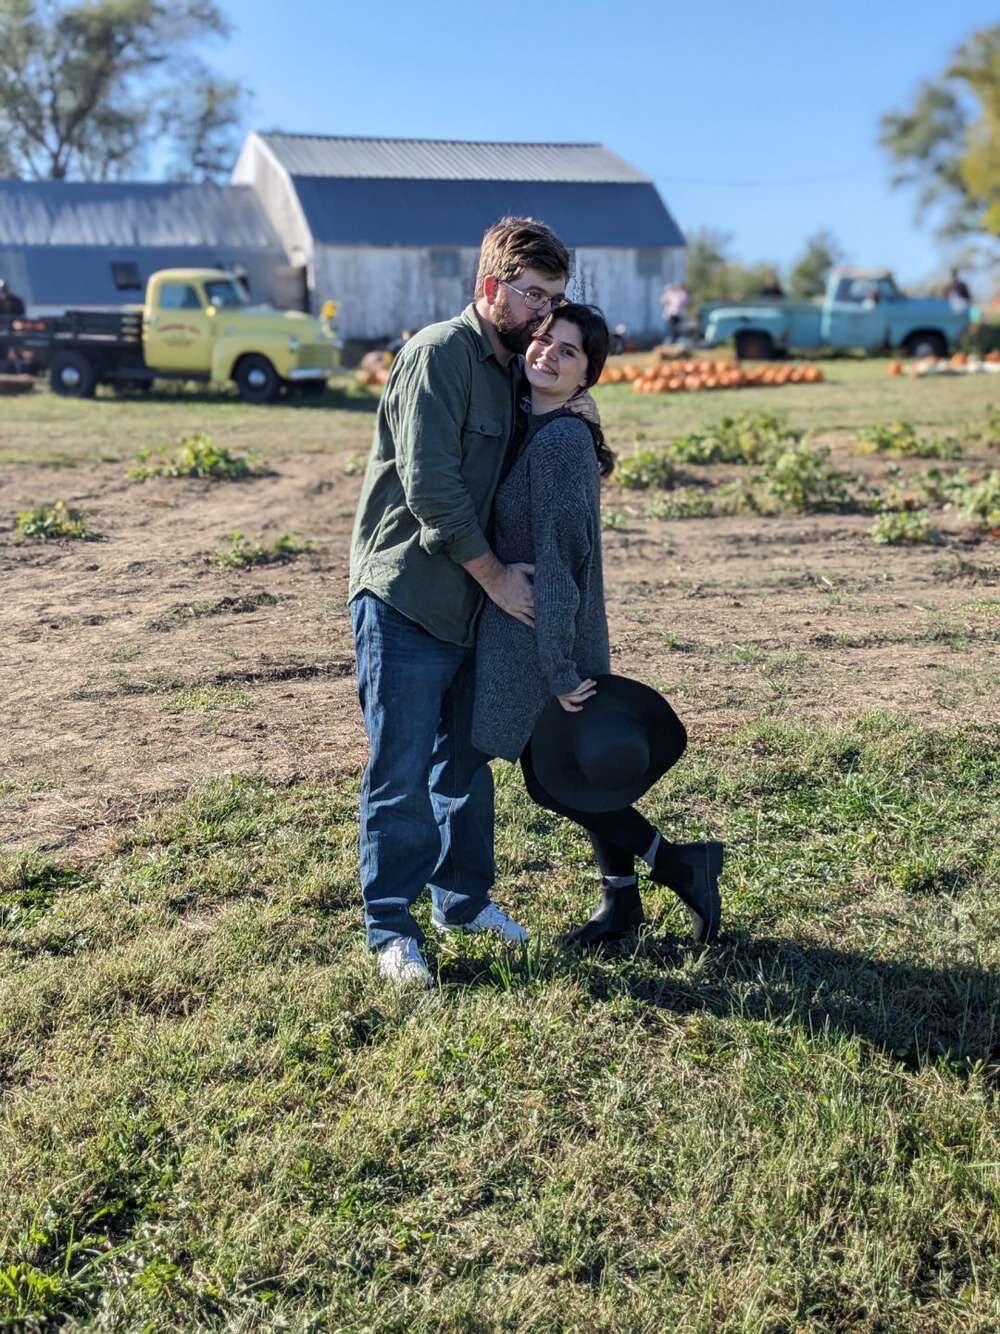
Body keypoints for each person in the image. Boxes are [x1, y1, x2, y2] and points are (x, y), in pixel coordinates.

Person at [348, 216, 572, 987]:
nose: (544, 313)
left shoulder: (515, 369)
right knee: (401, 769)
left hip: (474, 606)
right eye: (532, 295)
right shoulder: (439, 355)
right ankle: (390, 926)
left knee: (465, 764)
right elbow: (432, 491)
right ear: (491, 287)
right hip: (410, 595)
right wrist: (500, 580)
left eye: (555, 299)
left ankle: (463, 899)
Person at [472, 304, 723, 949]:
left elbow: (560, 563)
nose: (547, 356)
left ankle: (677, 865)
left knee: (556, 782)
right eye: (543, 341)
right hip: (548, 633)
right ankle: (623, 909)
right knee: (572, 773)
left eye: (569, 352)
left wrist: (559, 668)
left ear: (588, 376)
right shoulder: (545, 420)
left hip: (547, 638)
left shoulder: (559, 444)